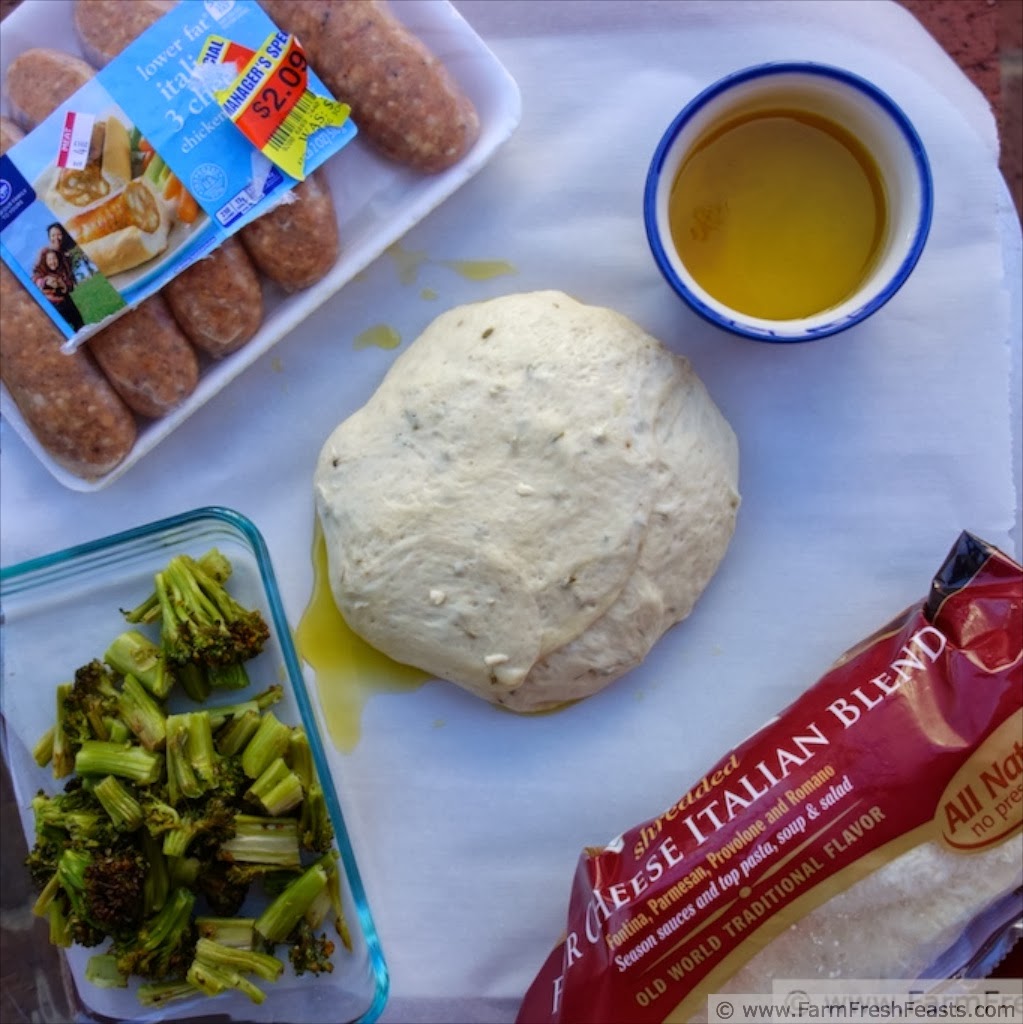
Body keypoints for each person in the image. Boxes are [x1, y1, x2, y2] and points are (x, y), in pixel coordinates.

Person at [33, 223, 84, 331]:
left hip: (66, 299)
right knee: (62, 330)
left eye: (59, 234)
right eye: (53, 235)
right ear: (49, 237)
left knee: (80, 325)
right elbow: (35, 275)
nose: (56, 238)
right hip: (51, 302)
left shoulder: (66, 256)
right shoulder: (43, 252)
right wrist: (46, 282)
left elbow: (70, 283)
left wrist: (63, 285)